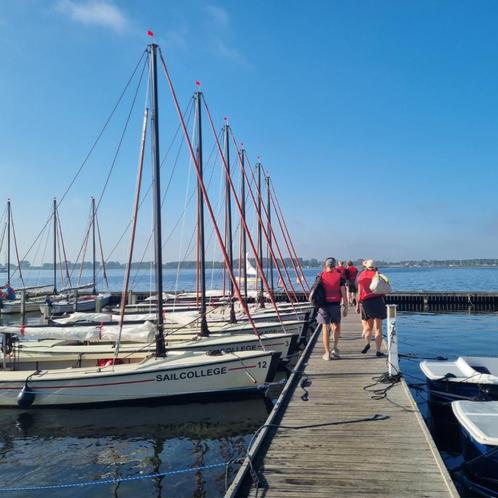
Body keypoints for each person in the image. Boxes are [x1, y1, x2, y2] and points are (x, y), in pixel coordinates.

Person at [316, 257, 348, 360]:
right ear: (334, 265)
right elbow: (343, 293)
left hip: (323, 306)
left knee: (326, 328)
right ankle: (335, 348)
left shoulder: (320, 276)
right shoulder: (340, 277)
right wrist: (346, 307)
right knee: (337, 326)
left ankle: (327, 353)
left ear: (325, 265)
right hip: (335, 304)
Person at [356, 260, 387, 357]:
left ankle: (368, 344)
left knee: (368, 327)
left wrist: (357, 304)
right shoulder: (378, 274)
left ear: (366, 266)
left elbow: (359, 292)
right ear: (374, 266)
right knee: (378, 328)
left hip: (366, 302)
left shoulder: (361, 275)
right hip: (378, 301)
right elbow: (384, 288)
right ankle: (378, 350)